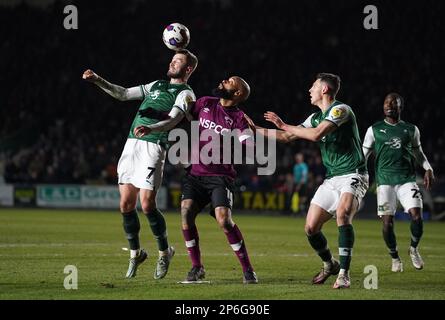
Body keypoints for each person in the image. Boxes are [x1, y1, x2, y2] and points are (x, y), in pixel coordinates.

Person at [82, 49, 198, 280]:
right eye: (172, 58)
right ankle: (136, 253)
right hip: (132, 145)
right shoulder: (155, 85)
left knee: (146, 205)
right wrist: (97, 80)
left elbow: (173, 120)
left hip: (154, 145)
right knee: (126, 205)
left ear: (188, 69)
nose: (171, 62)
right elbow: (124, 94)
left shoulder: (187, 94)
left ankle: (165, 252)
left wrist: (151, 128)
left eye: (177, 61)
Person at [245, 73, 368, 289]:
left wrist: (284, 124)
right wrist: (255, 129)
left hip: (353, 174)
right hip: (332, 178)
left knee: (343, 214)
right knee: (311, 228)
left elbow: (316, 135)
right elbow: (286, 137)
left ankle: (344, 274)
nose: (309, 90)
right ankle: (330, 263)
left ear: (324, 90)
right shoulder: (314, 118)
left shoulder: (341, 110)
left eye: (313, 86)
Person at [170, 76, 258, 284]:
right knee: (186, 212)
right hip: (196, 174)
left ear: (237, 93)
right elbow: (180, 114)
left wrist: (246, 140)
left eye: (229, 82)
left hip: (220, 176)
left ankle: (248, 270)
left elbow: (250, 145)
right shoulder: (205, 103)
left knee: (224, 221)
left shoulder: (238, 118)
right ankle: (196, 267)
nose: (223, 81)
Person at [362, 93, 434, 272]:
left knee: (417, 216)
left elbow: (419, 153)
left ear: (401, 107)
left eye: (394, 103)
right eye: (386, 102)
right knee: (387, 223)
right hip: (385, 182)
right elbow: (363, 156)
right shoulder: (374, 130)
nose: (389, 105)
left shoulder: (411, 129)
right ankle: (395, 257)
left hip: (406, 180)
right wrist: (357, 174)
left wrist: (428, 168)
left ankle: (414, 249)